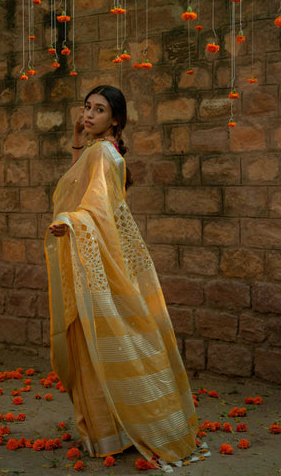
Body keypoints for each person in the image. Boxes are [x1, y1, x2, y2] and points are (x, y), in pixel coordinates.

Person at [44, 85, 205, 473]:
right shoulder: (104, 150)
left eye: (98, 110)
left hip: (98, 251)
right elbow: (85, 183)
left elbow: (95, 205)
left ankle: (108, 431)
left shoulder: (102, 152)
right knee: (121, 332)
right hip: (110, 251)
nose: (88, 114)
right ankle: (126, 425)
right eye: (86, 108)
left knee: (99, 335)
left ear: (115, 119)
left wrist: (70, 220)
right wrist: (77, 137)